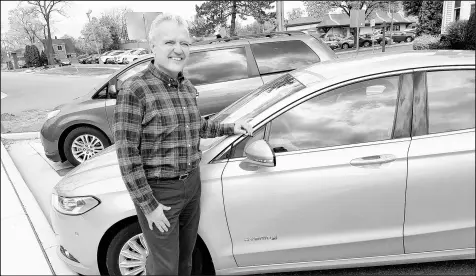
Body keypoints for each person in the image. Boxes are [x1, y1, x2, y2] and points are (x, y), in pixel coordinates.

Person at [113, 13, 253, 276]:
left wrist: (230, 127)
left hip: (192, 185)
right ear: (152, 46)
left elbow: (194, 126)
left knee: (185, 260)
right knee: (165, 267)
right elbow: (126, 154)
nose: (178, 50)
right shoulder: (135, 90)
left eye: (185, 43)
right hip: (160, 192)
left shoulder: (185, 86)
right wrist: (149, 206)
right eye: (169, 42)